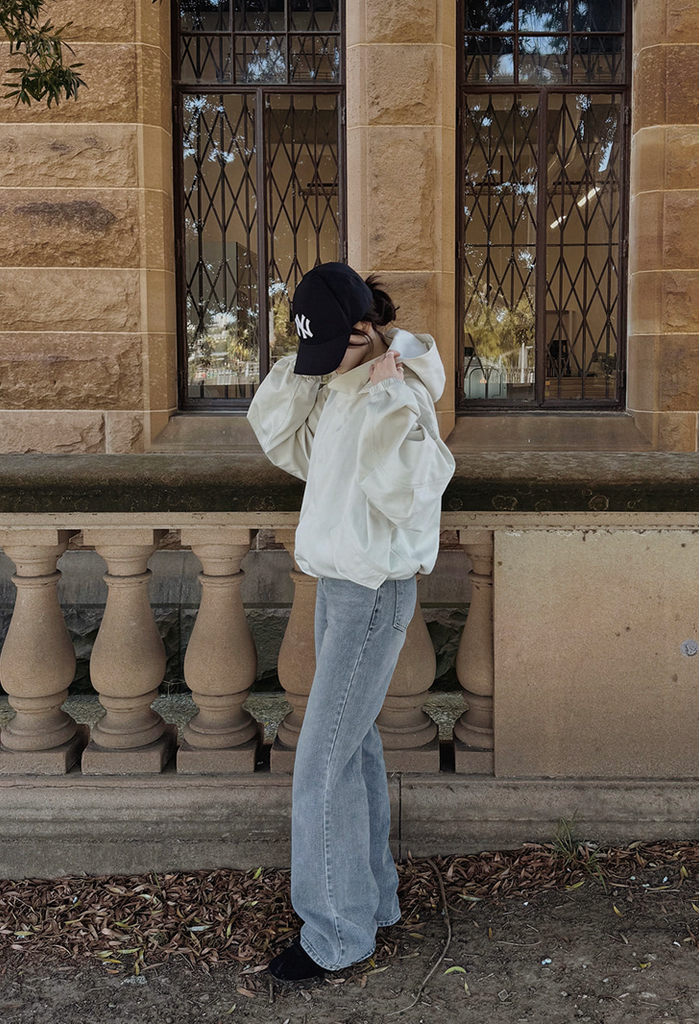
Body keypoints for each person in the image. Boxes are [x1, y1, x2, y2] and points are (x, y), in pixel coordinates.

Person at [247, 262, 455, 981]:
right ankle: (373, 903)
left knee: (321, 761)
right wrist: (313, 373)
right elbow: (285, 443)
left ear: (366, 330)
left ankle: (336, 935)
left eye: (330, 347)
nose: (321, 361)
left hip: (371, 590)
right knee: (352, 749)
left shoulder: (395, 393)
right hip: (340, 585)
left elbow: (416, 492)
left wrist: (387, 399)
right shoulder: (342, 384)